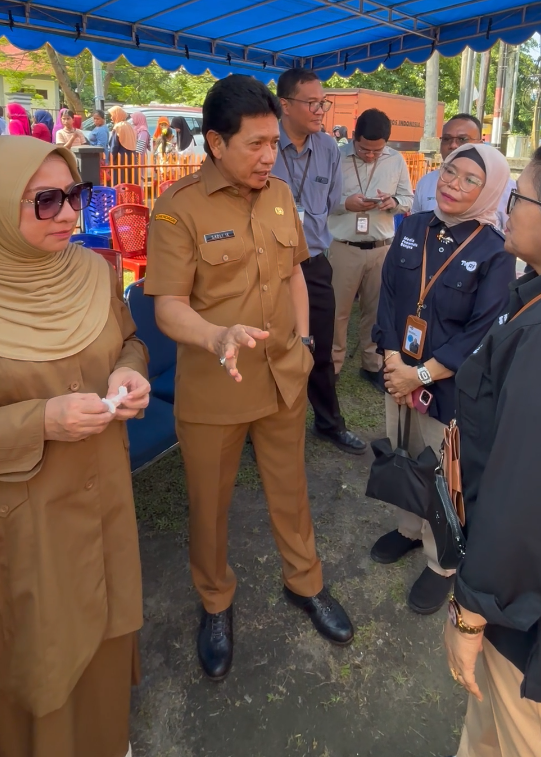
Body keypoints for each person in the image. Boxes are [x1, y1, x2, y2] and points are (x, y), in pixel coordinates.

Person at [145, 75, 354, 682]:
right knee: (209, 507)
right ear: (215, 142)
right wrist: (216, 336)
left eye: (272, 143)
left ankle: (305, 582)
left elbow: (294, 272)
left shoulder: (281, 194)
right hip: (217, 386)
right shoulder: (178, 207)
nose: (269, 155)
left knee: (291, 491)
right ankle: (215, 602)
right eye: (256, 144)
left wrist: (306, 339)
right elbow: (167, 306)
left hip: (282, 376)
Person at [446, 132, 541, 757]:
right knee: (489, 728)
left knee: (532, 736)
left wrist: (472, 613)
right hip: (535, 577)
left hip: (537, 599)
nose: (507, 207)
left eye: (519, 197)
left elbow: (527, 496)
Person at [0, 136, 150, 757]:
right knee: (42, 647)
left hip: (106, 495)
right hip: (26, 521)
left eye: (75, 196)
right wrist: (40, 419)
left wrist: (130, 372)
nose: (69, 214)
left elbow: (129, 340)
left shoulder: (94, 271)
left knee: (110, 625)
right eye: (46, 201)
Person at [372, 143, 516, 614]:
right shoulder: (415, 225)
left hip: (447, 385)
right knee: (402, 452)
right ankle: (408, 530)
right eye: (450, 172)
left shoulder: (496, 252)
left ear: (490, 189)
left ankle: (441, 564)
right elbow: (390, 293)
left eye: (469, 180)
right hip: (401, 369)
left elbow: (482, 333)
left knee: (440, 471)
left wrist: (419, 375)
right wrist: (393, 358)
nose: (453, 184)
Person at [271, 70, 366, 456]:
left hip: (312, 263)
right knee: (267, 346)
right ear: (285, 105)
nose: (320, 110)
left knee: (320, 348)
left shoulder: (327, 148)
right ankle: (260, 425)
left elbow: (331, 204)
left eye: (322, 102)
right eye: (312, 103)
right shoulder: (263, 142)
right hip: (267, 268)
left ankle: (329, 423)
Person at [328, 108, 414, 391]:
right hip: (343, 246)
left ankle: (372, 364)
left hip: (381, 247)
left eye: (377, 151)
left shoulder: (395, 159)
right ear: (354, 138)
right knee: (337, 311)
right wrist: (345, 204)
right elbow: (321, 200)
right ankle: (333, 365)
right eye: (365, 149)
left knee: (377, 311)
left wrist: (394, 203)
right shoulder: (335, 156)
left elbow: (407, 198)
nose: (370, 155)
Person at [412, 114, 515, 229]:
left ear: (480, 144)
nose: (453, 145)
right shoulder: (426, 182)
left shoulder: (506, 189)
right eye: (447, 139)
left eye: (462, 139)